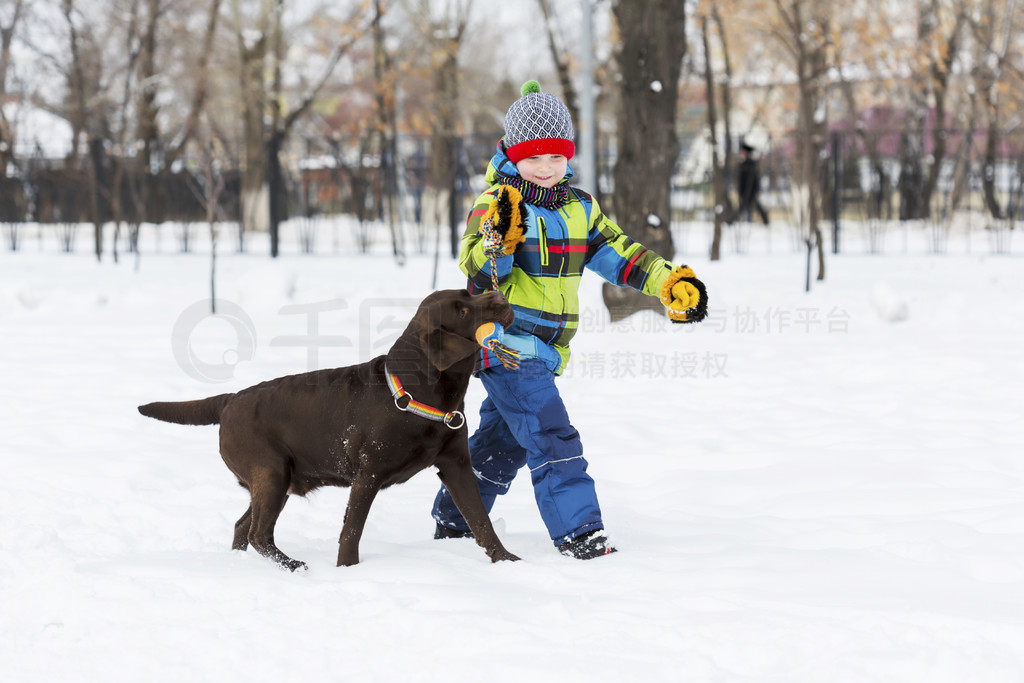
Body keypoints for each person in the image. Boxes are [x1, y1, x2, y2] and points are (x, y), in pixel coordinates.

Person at [430, 80, 709, 559]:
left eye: (556, 157)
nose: (545, 169)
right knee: (551, 433)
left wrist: (666, 281)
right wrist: (499, 240)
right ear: (513, 155)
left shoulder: (580, 207)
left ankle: (454, 517)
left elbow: (619, 253)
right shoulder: (495, 203)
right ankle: (581, 532)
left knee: (505, 443)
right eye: (534, 158)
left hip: (547, 349)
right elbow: (477, 268)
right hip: (506, 346)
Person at [736, 142, 769, 225]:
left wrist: (753, 189)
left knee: (749, 205)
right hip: (745, 190)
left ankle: (765, 220)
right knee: (744, 206)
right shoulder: (743, 163)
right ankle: (734, 219)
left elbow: (753, 178)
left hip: (750, 189)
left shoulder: (750, 164)